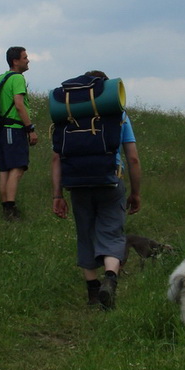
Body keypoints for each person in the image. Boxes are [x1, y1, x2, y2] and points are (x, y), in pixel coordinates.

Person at [51, 71, 141, 310]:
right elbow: (132, 159)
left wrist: (57, 195)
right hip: (110, 181)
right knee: (111, 233)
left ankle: (92, 292)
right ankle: (110, 279)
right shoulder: (118, 115)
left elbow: (56, 159)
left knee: (85, 233)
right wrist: (136, 192)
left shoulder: (68, 115)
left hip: (77, 183)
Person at [0, 46, 38, 220]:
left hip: (1, 130)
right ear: (15, 61)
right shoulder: (18, 78)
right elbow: (19, 104)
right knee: (17, 168)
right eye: (25, 57)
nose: (28, 60)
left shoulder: (0, 78)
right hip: (14, 129)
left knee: (5, 169)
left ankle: (6, 207)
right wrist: (30, 129)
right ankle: (10, 209)